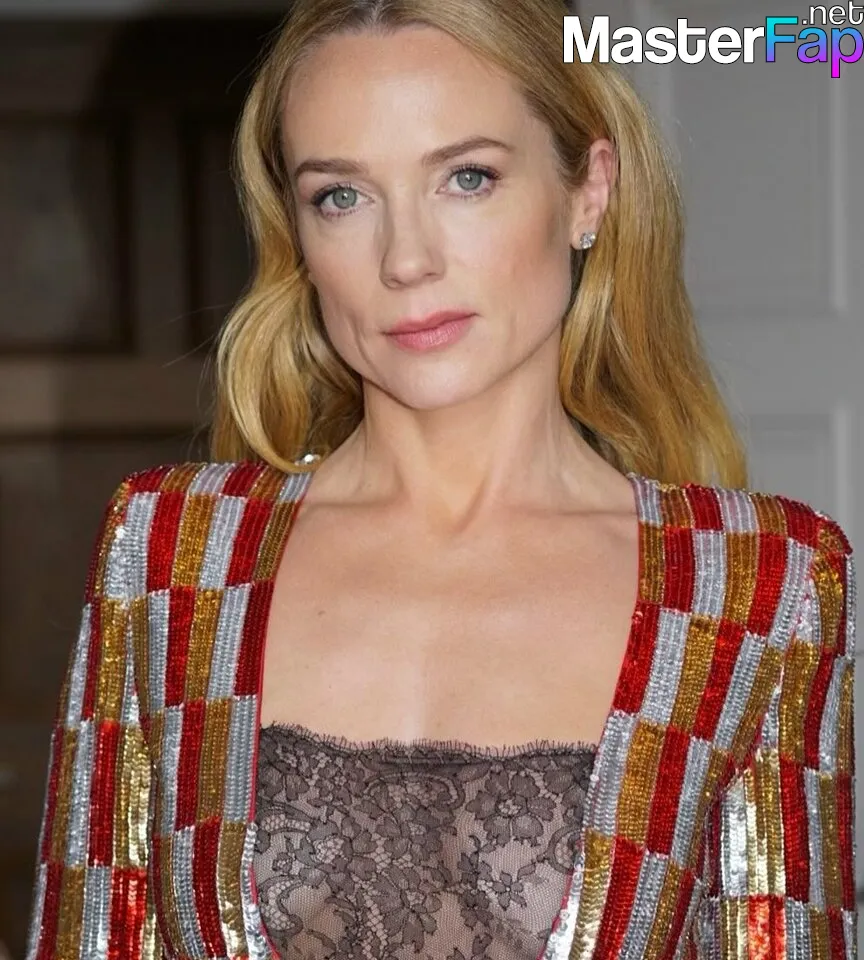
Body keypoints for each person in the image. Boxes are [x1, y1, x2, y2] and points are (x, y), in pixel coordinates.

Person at [24, 0, 857, 957]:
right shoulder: (172, 552)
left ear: (588, 191)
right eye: (342, 196)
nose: (406, 261)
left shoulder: (759, 583)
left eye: (467, 178)